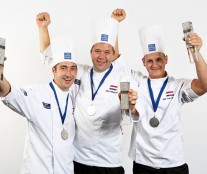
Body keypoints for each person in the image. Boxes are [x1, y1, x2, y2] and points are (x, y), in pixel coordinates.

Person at [36, 9, 140, 174]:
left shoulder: (124, 79)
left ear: (113, 55)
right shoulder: (79, 72)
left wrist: (130, 104)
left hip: (109, 163)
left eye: (107, 52)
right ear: (90, 52)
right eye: (97, 51)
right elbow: (51, 57)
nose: (101, 56)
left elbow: (131, 114)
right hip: (77, 159)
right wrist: (43, 28)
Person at [128, 25, 207, 174]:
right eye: (149, 60)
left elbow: (205, 85)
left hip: (173, 163)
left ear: (166, 59)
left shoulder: (178, 85)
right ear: (143, 62)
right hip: (142, 163)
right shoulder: (137, 80)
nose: (155, 64)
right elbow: (114, 62)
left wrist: (196, 52)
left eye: (158, 59)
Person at [0, 35, 78, 174]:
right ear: (53, 70)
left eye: (73, 68)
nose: (68, 73)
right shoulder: (36, 93)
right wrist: (0, 76)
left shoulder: (76, 99)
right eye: (63, 68)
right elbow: (9, 92)